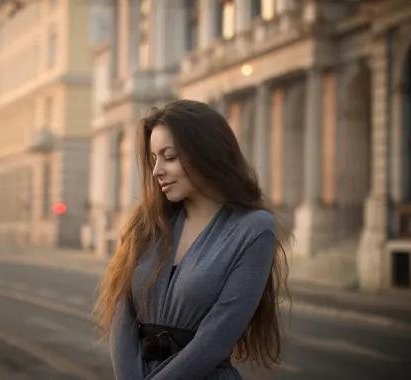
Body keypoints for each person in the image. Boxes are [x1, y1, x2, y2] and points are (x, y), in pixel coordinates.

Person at [94, 99, 289, 380]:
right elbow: (121, 315)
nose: (157, 170)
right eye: (153, 159)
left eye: (169, 157)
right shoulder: (146, 221)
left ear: (206, 154)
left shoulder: (254, 229)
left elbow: (216, 338)